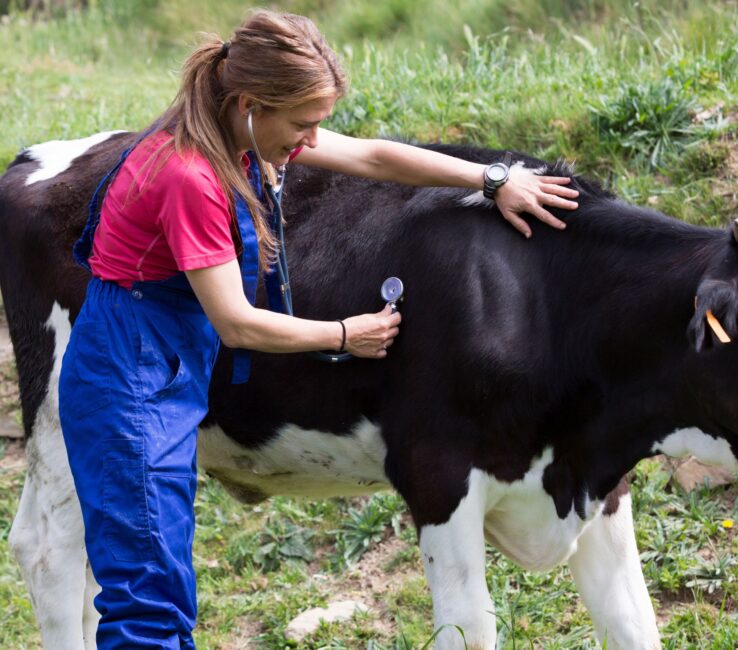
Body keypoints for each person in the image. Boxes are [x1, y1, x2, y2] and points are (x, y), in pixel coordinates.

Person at [58, 8, 580, 649]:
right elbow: (236, 322)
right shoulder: (189, 175)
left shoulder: (231, 132)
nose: (310, 140)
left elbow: (372, 156)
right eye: (302, 124)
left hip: (161, 365)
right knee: (148, 600)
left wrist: (492, 177)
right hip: (129, 376)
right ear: (251, 102)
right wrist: (343, 335)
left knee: (161, 579)